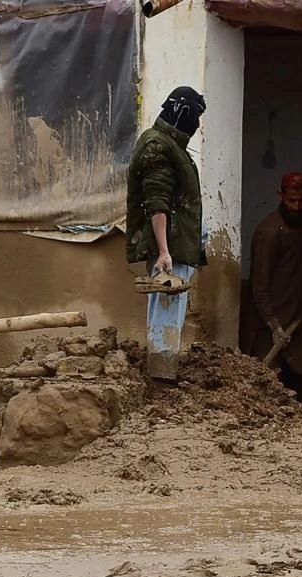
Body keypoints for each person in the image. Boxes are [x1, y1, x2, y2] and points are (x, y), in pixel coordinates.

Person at [125, 86, 207, 380]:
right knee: (167, 307)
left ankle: (164, 369)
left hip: (178, 244)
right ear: (184, 113)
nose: (197, 125)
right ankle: (161, 375)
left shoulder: (171, 145)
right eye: (196, 116)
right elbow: (156, 202)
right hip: (170, 247)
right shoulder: (158, 146)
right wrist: (163, 252)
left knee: (172, 307)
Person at [247, 171, 302, 390]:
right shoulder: (268, 233)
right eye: (291, 201)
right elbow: (259, 288)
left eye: (301, 201)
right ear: (280, 195)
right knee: (271, 382)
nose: (296, 207)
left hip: (295, 319)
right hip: (268, 323)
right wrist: (274, 325)